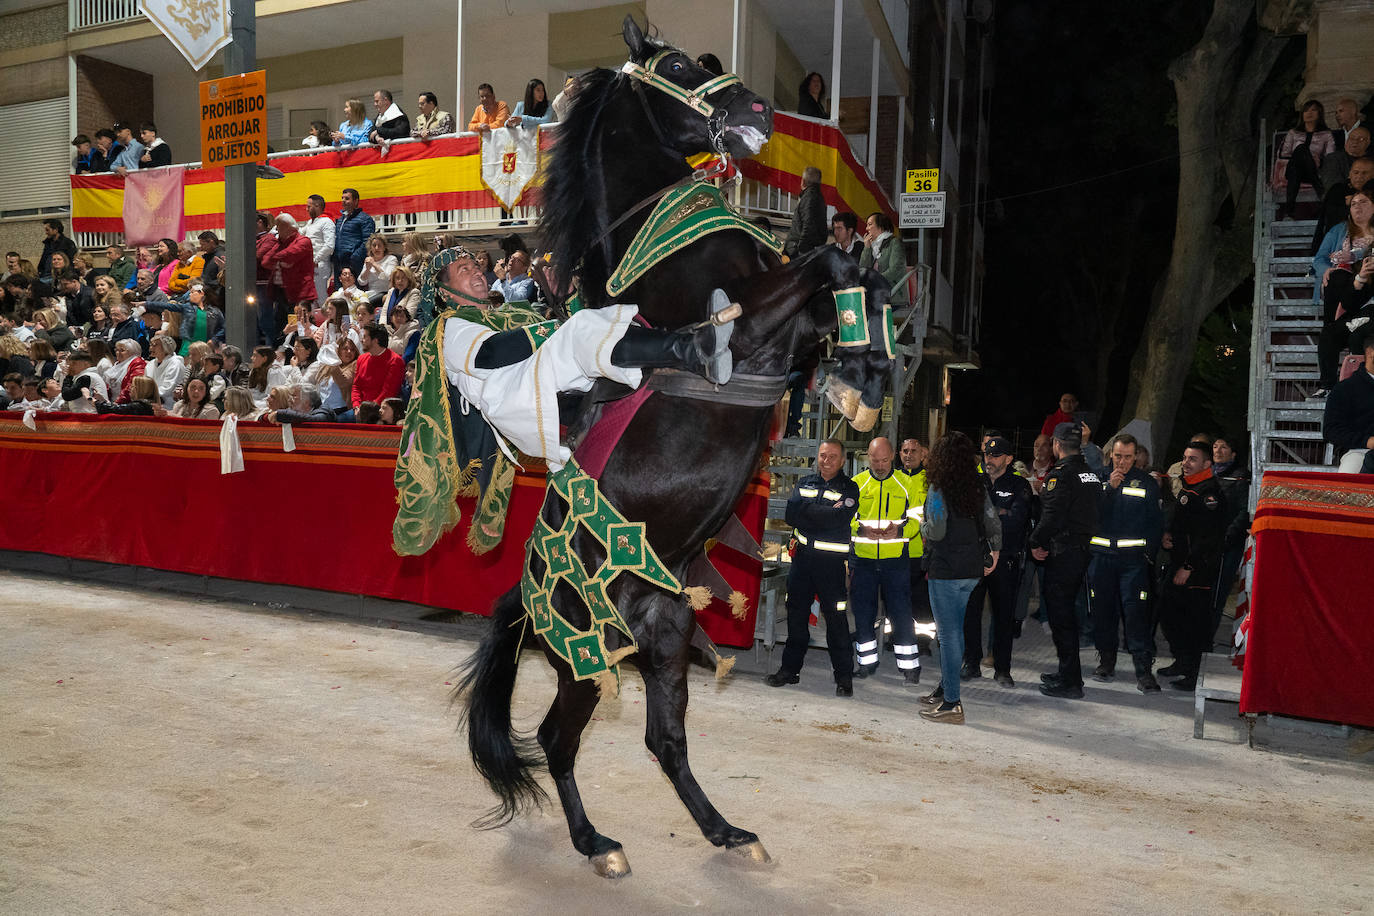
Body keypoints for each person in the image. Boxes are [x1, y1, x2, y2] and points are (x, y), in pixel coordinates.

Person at [419, 246, 737, 471]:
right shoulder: (450, 327)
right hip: (513, 395)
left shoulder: (510, 313)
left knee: (595, 323)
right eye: (464, 270)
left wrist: (568, 297)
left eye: (476, 265)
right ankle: (695, 350)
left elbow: (551, 333)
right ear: (445, 293)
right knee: (581, 330)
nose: (476, 271)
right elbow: (490, 354)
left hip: (537, 376)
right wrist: (562, 325)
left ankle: (690, 347)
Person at [764, 439, 861, 696]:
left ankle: (843, 677)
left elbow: (838, 518)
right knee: (796, 616)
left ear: (842, 461)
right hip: (802, 563)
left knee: (837, 621)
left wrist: (809, 513)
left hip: (830, 567)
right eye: (822, 456)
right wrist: (824, 513)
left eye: (832, 457)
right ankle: (789, 671)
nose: (826, 461)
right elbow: (791, 515)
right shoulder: (805, 483)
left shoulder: (850, 488)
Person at [916, 432, 1000, 724]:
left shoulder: (939, 488)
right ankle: (945, 689)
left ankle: (952, 703)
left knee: (948, 636)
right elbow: (992, 520)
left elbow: (936, 531)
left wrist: (921, 525)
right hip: (972, 570)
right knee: (956, 632)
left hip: (947, 569)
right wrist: (996, 552)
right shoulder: (977, 485)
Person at [1085, 433, 1165, 693]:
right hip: (1101, 560)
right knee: (1103, 613)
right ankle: (1106, 663)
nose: (1122, 462)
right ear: (1111, 455)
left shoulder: (1146, 483)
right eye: (1118, 456)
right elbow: (1090, 516)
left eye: (1128, 457)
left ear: (1136, 457)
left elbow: (1155, 523)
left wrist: (1147, 556)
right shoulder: (1098, 480)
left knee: (1136, 616)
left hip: (1133, 563)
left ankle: (1143, 672)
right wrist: (1110, 488)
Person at [1030, 421, 1101, 699]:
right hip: (1080, 550)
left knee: (1062, 618)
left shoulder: (1061, 475)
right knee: (1066, 615)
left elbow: (1051, 517)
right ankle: (1066, 672)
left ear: (1057, 445)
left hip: (1063, 552)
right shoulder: (1090, 474)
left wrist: (1035, 541)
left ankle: (1071, 682)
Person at [848, 437, 923, 683]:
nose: (879, 465)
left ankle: (910, 666)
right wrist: (860, 530)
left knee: (901, 613)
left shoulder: (906, 484)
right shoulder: (857, 484)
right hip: (864, 561)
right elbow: (846, 519)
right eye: (874, 459)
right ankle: (866, 663)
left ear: (892, 456)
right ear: (867, 457)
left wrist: (899, 531)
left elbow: (917, 520)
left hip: (896, 561)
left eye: (883, 460)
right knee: (863, 613)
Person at [1156, 440, 1229, 691]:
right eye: (1185, 458)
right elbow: (1183, 523)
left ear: (1207, 464)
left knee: (1195, 621)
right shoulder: (1190, 488)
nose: (1186, 463)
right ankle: (1182, 661)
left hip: (1198, 570)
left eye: (1193, 459)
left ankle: (1195, 671)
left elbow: (1208, 538)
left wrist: (1188, 566)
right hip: (1179, 563)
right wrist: (1169, 535)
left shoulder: (1210, 493)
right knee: (1169, 611)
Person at [963, 436, 1031, 687]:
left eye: (995, 456)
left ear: (1009, 459)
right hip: (975, 557)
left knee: (1004, 616)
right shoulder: (974, 482)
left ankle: (1003, 669)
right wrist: (999, 512)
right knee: (971, 613)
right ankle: (971, 662)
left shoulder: (1019, 484)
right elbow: (967, 517)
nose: (988, 460)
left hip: (1006, 558)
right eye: (986, 455)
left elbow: (1016, 521)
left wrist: (991, 517)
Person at [1313, 190, 1374, 395]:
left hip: (1365, 298)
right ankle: (1327, 386)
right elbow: (1320, 260)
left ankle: (1358, 387)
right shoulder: (1340, 230)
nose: (1357, 206)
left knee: (1358, 334)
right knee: (1337, 275)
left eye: (1363, 202)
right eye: (1353, 203)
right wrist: (1330, 271)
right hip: (1347, 290)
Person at [1323, 335, 1374, 473]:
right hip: (1360, 451)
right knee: (1347, 480)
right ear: (1370, 353)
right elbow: (1331, 430)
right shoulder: (1345, 389)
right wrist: (1368, 441)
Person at [1278, 99, 1336, 219]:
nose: (1309, 113)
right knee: (1301, 149)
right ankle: (1320, 190)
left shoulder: (1326, 134)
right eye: (1306, 110)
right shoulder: (1293, 133)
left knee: (1301, 153)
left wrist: (1314, 159)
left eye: (1313, 110)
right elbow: (1284, 154)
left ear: (1319, 113)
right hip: (1293, 167)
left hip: (1313, 170)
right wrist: (1302, 156)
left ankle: (1289, 212)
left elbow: (1331, 156)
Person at [857, 212, 908, 305]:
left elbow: (895, 270)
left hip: (892, 296)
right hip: (874, 295)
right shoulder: (872, 246)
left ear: (880, 226)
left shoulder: (894, 243)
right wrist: (867, 248)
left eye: (870, 224)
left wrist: (874, 280)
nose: (866, 228)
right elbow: (863, 269)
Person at [351, 324, 404, 408]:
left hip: (381, 410)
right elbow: (356, 386)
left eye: (365, 337)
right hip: (361, 408)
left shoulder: (395, 361)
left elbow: (389, 392)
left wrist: (369, 409)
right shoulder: (362, 358)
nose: (361, 340)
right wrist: (356, 405)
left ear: (375, 341)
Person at [333, 189, 376, 284]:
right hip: (339, 264)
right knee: (340, 295)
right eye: (342, 198)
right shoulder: (340, 220)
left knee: (354, 294)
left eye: (347, 198)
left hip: (354, 264)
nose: (343, 201)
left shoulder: (365, 219)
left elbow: (368, 241)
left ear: (356, 201)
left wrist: (355, 258)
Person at [783, 166, 826, 259]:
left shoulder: (809, 197)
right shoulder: (817, 196)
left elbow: (808, 224)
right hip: (808, 249)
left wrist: (800, 250)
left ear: (803, 181)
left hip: (799, 251)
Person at [1319, 126, 1371, 194]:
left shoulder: (1370, 159)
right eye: (1352, 138)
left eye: (1361, 139)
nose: (1355, 141)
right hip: (1339, 198)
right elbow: (1332, 185)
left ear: (1368, 142)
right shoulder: (1333, 158)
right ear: (1346, 142)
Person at [57, 349, 108, 413]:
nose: (70, 367)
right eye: (69, 364)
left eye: (74, 363)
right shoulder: (89, 375)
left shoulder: (87, 377)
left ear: (86, 363)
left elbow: (67, 395)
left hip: (90, 416)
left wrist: (68, 376)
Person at [143, 334, 187, 407]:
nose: (151, 347)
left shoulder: (175, 363)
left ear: (166, 347)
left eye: (155, 345)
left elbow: (168, 388)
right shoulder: (150, 364)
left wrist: (149, 396)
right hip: (150, 401)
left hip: (169, 405)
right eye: (151, 345)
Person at [265, 382, 334, 424]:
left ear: (306, 402)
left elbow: (313, 420)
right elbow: (267, 417)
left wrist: (280, 414)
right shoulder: (295, 410)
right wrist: (267, 417)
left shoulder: (324, 411)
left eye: (294, 396)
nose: (290, 400)